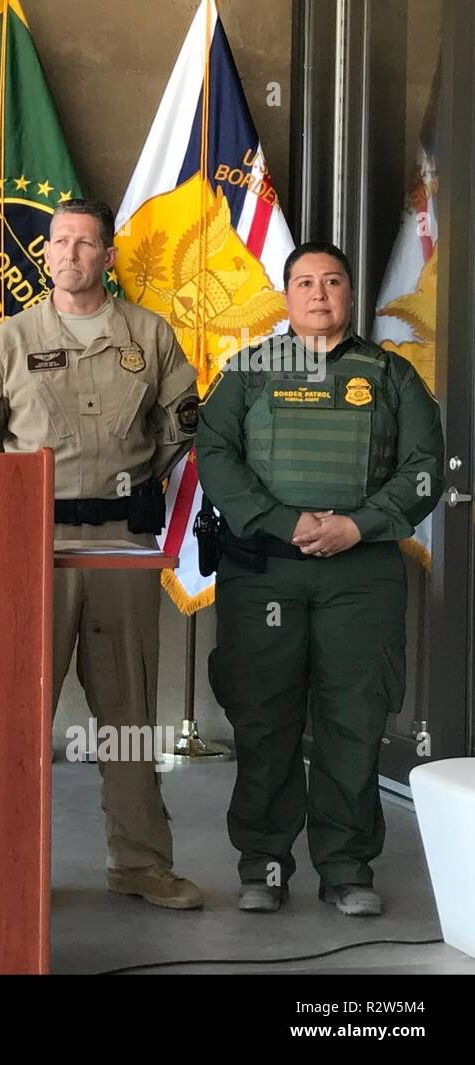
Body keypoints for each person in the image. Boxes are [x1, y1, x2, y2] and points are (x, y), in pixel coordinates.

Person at [0, 198, 204, 910]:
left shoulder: (148, 336)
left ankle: (142, 863)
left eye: (88, 243)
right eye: (61, 242)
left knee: (127, 712)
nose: (73, 254)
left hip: (120, 547)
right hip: (31, 547)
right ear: (47, 253)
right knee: (15, 712)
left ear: (108, 256)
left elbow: (182, 428)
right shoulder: (12, 338)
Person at [195, 240, 443, 916]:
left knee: (353, 718)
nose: (319, 293)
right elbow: (213, 453)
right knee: (265, 716)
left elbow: (426, 464)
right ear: (286, 294)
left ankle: (347, 867)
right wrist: (279, 519)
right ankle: (264, 863)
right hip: (265, 570)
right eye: (304, 281)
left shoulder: (391, 375)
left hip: (359, 574)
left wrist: (360, 525)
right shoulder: (248, 372)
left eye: (333, 280)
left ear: (351, 293)